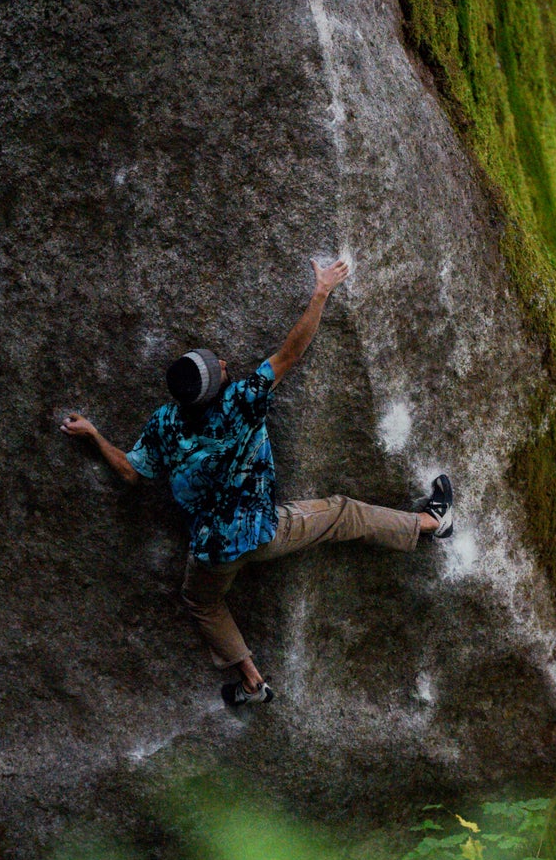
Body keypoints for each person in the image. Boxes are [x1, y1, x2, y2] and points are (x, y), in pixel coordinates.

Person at [61, 257, 453, 706]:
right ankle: (432, 523)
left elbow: (132, 471)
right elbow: (291, 351)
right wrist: (321, 291)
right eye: (220, 366)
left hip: (210, 550)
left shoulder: (166, 424)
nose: (226, 362)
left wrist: (94, 435)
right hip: (262, 531)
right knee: (342, 513)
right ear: (216, 386)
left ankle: (251, 682)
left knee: (202, 602)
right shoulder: (242, 402)